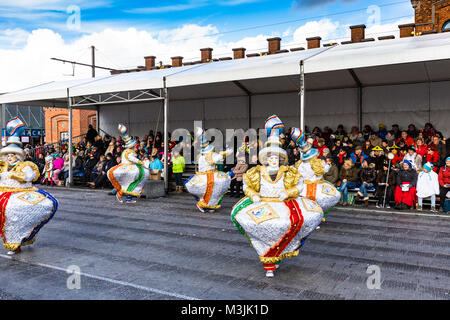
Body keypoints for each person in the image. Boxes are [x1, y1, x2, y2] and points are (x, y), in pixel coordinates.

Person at [231, 115, 324, 278]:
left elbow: (299, 186)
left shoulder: (288, 172)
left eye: (276, 158)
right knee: (251, 223)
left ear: (281, 159)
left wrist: (288, 193)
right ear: (266, 159)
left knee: (292, 223)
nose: (273, 160)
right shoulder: (257, 172)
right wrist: (253, 195)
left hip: (282, 204)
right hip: (263, 204)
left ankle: (276, 254)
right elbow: (248, 186)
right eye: (270, 158)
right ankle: (269, 262)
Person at [0, 118, 58, 255]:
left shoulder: (25, 165)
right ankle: (14, 241)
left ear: (18, 156)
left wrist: (15, 175)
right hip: (4, 193)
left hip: (20, 193)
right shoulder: (3, 167)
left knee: (20, 212)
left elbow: (29, 176)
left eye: (13, 155)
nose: (10, 157)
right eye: (8, 155)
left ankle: (21, 239)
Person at [292, 127, 340, 215]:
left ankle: (311, 216)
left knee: (305, 204)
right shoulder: (317, 163)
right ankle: (318, 216)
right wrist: (327, 165)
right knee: (318, 202)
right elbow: (325, 169)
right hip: (315, 186)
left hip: (303, 186)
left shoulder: (300, 164)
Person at [185, 127, 231, 213]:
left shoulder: (203, 155)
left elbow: (214, 159)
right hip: (207, 176)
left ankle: (210, 205)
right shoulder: (206, 156)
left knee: (213, 190)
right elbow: (213, 160)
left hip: (208, 174)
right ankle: (205, 204)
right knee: (210, 189)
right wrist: (225, 153)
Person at [107, 124, 150, 203]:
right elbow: (131, 158)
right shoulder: (129, 152)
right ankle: (121, 194)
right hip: (128, 169)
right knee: (139, 176)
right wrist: (140, 162)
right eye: (134, 146)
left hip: (126, 168)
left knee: (128, 185)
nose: (135, 147)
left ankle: (127, 198)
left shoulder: (125, 151)